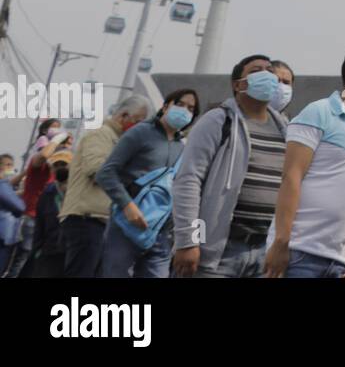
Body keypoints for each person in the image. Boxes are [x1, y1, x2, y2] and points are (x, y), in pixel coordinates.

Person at [264, 43, 345, 278]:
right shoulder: (319, 113)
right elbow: (291, 177)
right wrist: (281, 242)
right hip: (298, 252)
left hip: (341, 260)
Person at [171, 55, 289, 278]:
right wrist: (188, 241)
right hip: (219, 254)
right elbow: (188, 180)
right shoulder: (218, 121)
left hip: (263, 253)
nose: (267, 75)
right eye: (256, 70)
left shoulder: (285, 129)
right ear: (238, 84)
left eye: (269, 70)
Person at [97, 88, 199, 278]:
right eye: (180, 104)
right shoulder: (141, 132)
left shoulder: (183, 147)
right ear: (166, 105)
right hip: (126, 225)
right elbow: (106, 173)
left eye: (191, 109)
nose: (185, 110)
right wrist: (127, 206)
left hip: (160, 232)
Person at [57, 97, 150, 277]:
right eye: (138, 122)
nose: (140, 129)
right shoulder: (101, 134)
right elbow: (96, 169)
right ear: (124, 115)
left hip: (100, 222)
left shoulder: (119, 141)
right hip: (86, 219)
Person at [4, 120, 68, 278]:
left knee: (21, 260)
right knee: (19, 260)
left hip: (38, 221)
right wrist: (56, 139)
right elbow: (45, 155)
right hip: (30, 218)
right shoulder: (40, 165)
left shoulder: (54, 175)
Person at [32, 149, 74, 277]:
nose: (59, 168)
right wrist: (37, 251)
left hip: (71, 252)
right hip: (49, 251)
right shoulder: (47, 194)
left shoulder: (79, 192)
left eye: (63, 164)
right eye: (56, 165)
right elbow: (39, 225)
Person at [0, 154, 23, 276]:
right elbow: (19, 206)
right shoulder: (2, 185)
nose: (10, 168)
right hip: (3, 235)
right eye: (7, 165)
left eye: (12, 165)